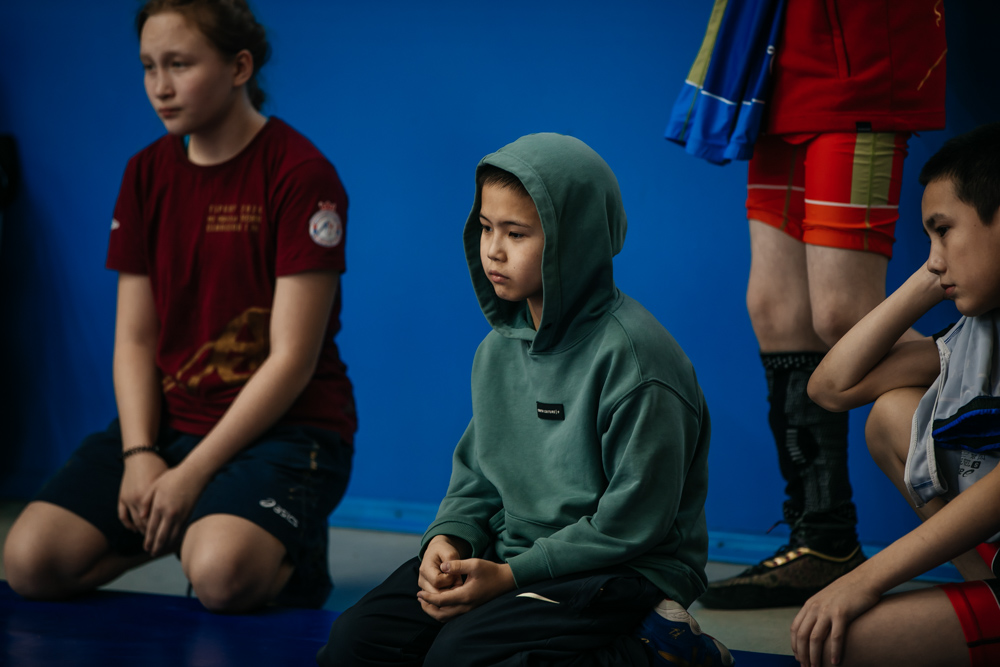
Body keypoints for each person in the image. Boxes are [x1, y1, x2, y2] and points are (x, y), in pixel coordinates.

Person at [317, 133, 731, 666]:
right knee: (355, 642)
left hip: (623, 566)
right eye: (486, 227)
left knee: (459, 656)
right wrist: (448, 540)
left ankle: (660, 651)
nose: (494, 249)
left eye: (516, 233)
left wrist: (509, 577)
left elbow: (632, 524)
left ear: (575, 240)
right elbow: (478, 478)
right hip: (513, 551)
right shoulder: (497, 350)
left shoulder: (638, 362)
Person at [2, 0, 355, 613]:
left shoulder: (302, 173)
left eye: (180, 64)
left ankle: (279, 546)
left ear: (239, 67)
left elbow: (293, 359)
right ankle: (197, 525)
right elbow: (135, 340)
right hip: (172, 421)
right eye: (148, 66)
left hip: (288, 428)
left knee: (219, 575)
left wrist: (189, 477)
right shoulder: (144, 174)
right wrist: (141, 456)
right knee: (30, 563)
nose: (159, 87)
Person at [696, 0, 948, 609]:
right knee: (775, 309)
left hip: (858, 62)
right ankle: (823, 537)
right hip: (775, 66)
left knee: (843, 313)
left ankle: (987, 375)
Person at [788, 122, 1000, 667]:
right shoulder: (979, 334)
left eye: (943, 231)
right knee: (890, 414)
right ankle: (985, 581)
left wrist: (864, 579)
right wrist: (930, 279)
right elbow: (830, 388)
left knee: (850, 641)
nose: (933, 256)